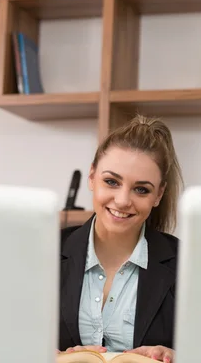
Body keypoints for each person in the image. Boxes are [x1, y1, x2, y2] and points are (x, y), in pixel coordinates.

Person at [58, 114, 184, 363]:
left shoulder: (187, 263)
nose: (123, 200)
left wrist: (179, 357)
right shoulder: (45, 250)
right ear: (92, 177)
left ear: (158, 195)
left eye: (141, 189)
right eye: (111, 181)